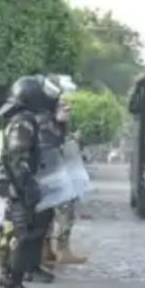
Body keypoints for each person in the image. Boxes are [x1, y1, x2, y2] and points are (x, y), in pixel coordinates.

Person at [0, 75, 63, 288]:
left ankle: (11, 282)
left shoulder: (19, 118)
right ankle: (12, 285)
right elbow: (18, 157)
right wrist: (25, 188)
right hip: (17, 189)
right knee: (20, 236)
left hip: (14, 187)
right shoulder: (24, 121)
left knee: (14, 234)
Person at [39, 97, 87, 267]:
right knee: (60, 213)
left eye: (69, 110)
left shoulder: (58, 126)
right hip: (52, 178)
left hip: (57, 177)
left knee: (57, 214)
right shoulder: (47, 126)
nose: (68, 113)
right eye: (65, 110)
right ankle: (56, 249)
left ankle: (55, 249)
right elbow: (51, 150)